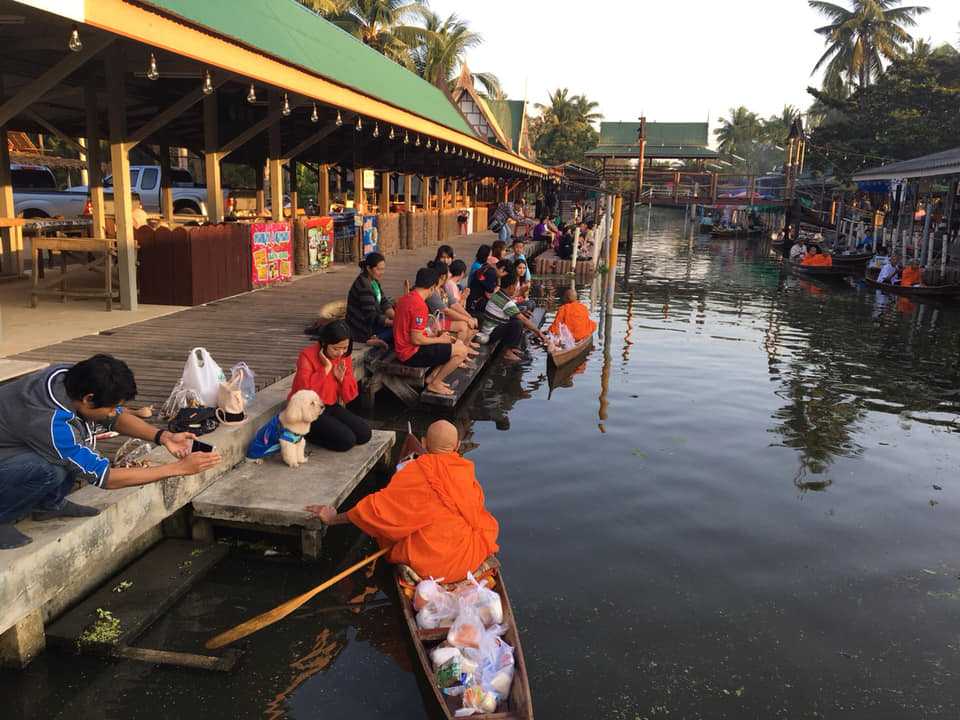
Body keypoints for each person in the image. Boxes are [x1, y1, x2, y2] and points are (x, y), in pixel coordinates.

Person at [0, 355, 221, 549]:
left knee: (70, 453)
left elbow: (112, 416)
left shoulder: (68, 377)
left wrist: (163, 437)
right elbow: (105, 478)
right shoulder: (50, 423)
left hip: (14, 439)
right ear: (88, 398)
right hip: (12, 449)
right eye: (111, 406)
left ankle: (49, 504)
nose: (114, 412)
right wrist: (178, 469)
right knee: (49, 469)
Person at [305, 420, 499, 583]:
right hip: (469, 560)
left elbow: (377, 510)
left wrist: (332, 519)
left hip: (430, 566)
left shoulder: (416, 470)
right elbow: (475, 510)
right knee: (481, 524)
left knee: (392, 530)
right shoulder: (465, 469)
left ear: (423, 443)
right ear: (457, 446)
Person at [291, 321, 372, 452]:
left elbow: (350, 395)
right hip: (306, 410)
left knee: (364, 434)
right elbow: (303, 393)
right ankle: (305, 433)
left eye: (344, 348)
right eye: (335, 348)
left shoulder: (344, 356)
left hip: (329, 405)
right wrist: (326, 369)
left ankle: (325, 429)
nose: (340, 353)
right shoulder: (307, 355)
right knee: (347, 441)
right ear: (324, 343)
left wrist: (342, 379)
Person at [394, 267, 473, 396]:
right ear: (432, 286)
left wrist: (432, 335)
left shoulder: (406, 298)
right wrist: (440, 340)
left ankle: (433, 378)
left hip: (404, 348)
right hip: (411, 353)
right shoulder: (419, 305)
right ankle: (435, 383)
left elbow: (411, 330)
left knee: (456, 344)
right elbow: (416, 339)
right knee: (461, 351)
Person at [479, 272, 547, 362]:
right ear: (511, 287)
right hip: (490, 334)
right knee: (517, 323)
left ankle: (513, 347)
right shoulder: (507, 302)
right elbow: (523, 319)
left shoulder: (498, 294)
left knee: (517, 318)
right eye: (516, 286)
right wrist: (539, 333)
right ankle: (508, 351)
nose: (516, 288)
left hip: (489, 329)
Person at [347, 252, 395, 349]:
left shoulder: (374, 281)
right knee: (396, 330)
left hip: (371, 323)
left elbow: (384, 302)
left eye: (383, 269)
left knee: (399, 328)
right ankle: (375, 338)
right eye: (379, 269)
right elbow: (371, 315)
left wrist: (395, 317)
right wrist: (392, 323)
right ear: (369, 268)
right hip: (361, 327)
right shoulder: (363, 285)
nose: (382, 272)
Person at [425, 261, 477, 344]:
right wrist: (467, 319)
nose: (450, 274)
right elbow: (446, 310)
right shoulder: (432, 291)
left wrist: (469, 317)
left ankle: (463, 349)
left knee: (468, 323)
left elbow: (454, 304)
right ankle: (457, 351)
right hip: (434, 323)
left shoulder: (443, 287)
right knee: (463, 326)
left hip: (443, 319)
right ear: (442, 276)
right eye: (448, 272)